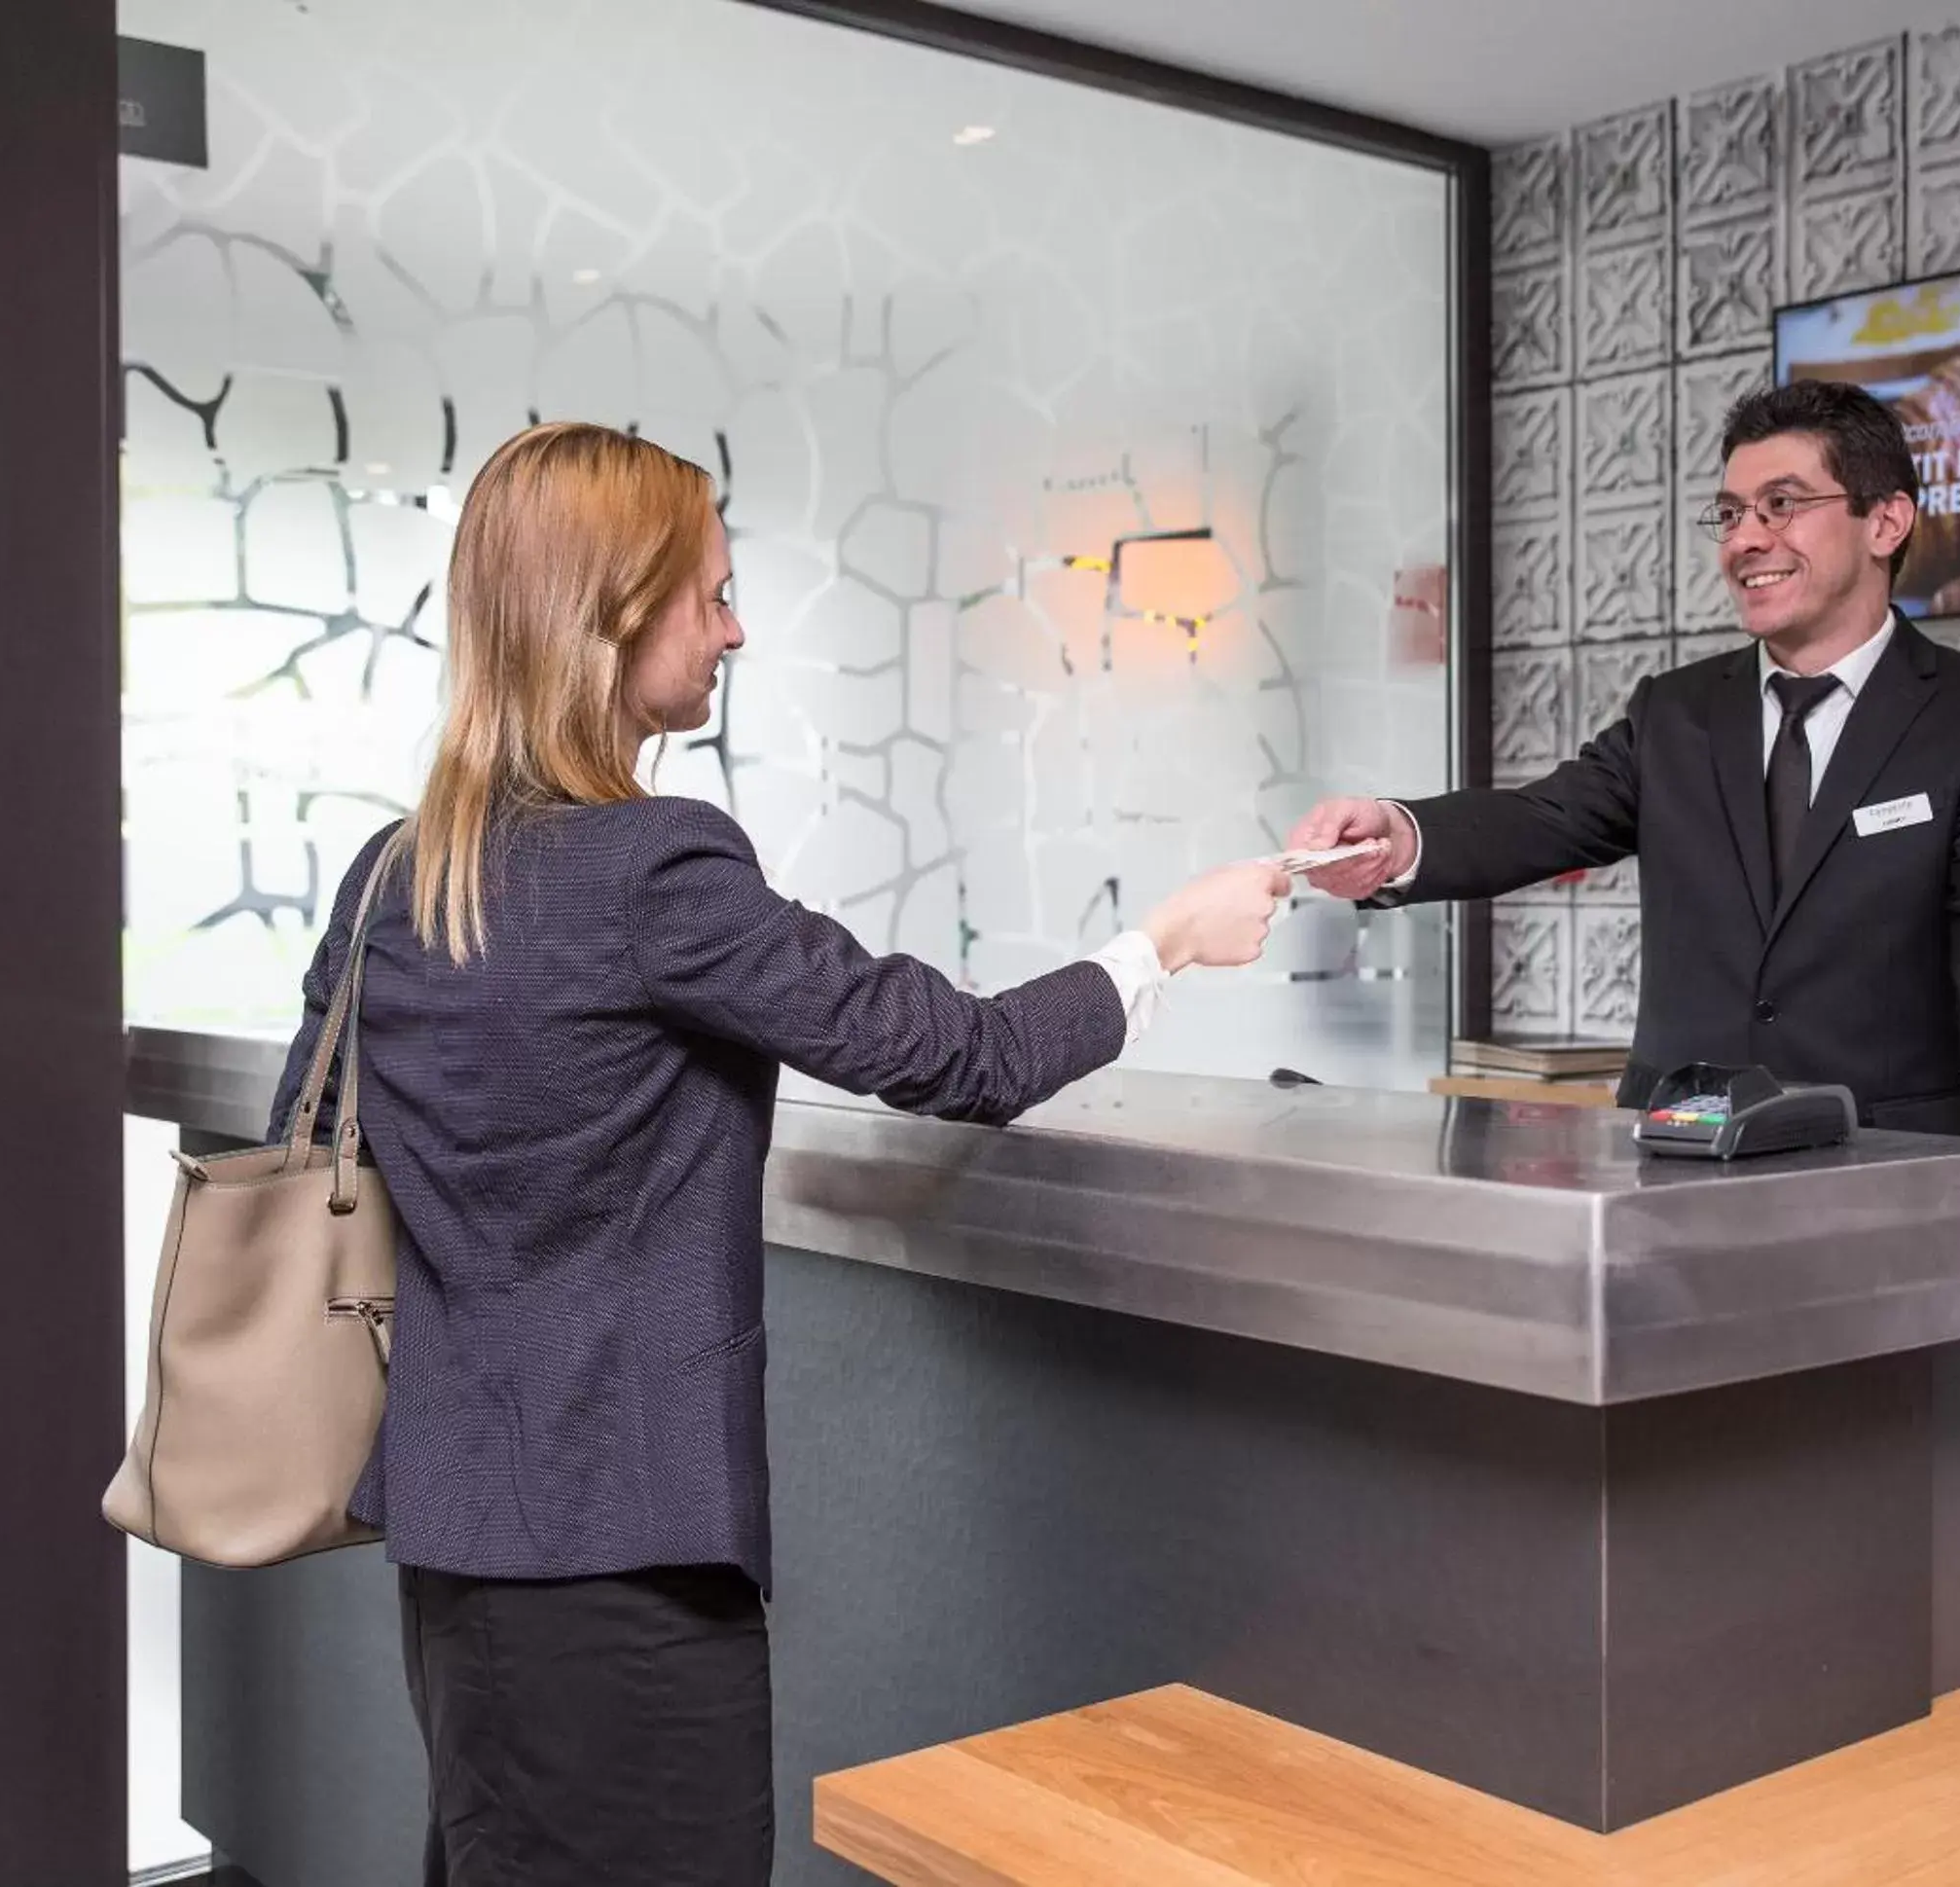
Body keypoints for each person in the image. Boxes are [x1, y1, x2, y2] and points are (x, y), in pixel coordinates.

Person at [264, 420, 1288, 1885]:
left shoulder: (391, 874)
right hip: (625, 1564)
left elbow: (308, 1135)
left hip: (455, 1550)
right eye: (714, 592)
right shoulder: (654, 862)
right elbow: (961, 1054)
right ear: (615, 610)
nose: (734, 626)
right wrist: (1167, 941)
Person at [1289, 379, 1960, 1263]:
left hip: (1884, 1188)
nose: (1747, 539)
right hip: (1671, 1183)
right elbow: (1542, 817)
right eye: (1730, 514)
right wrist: (1399, 836)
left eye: (1783, 504)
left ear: (1886, 522)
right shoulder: (1676, 712)